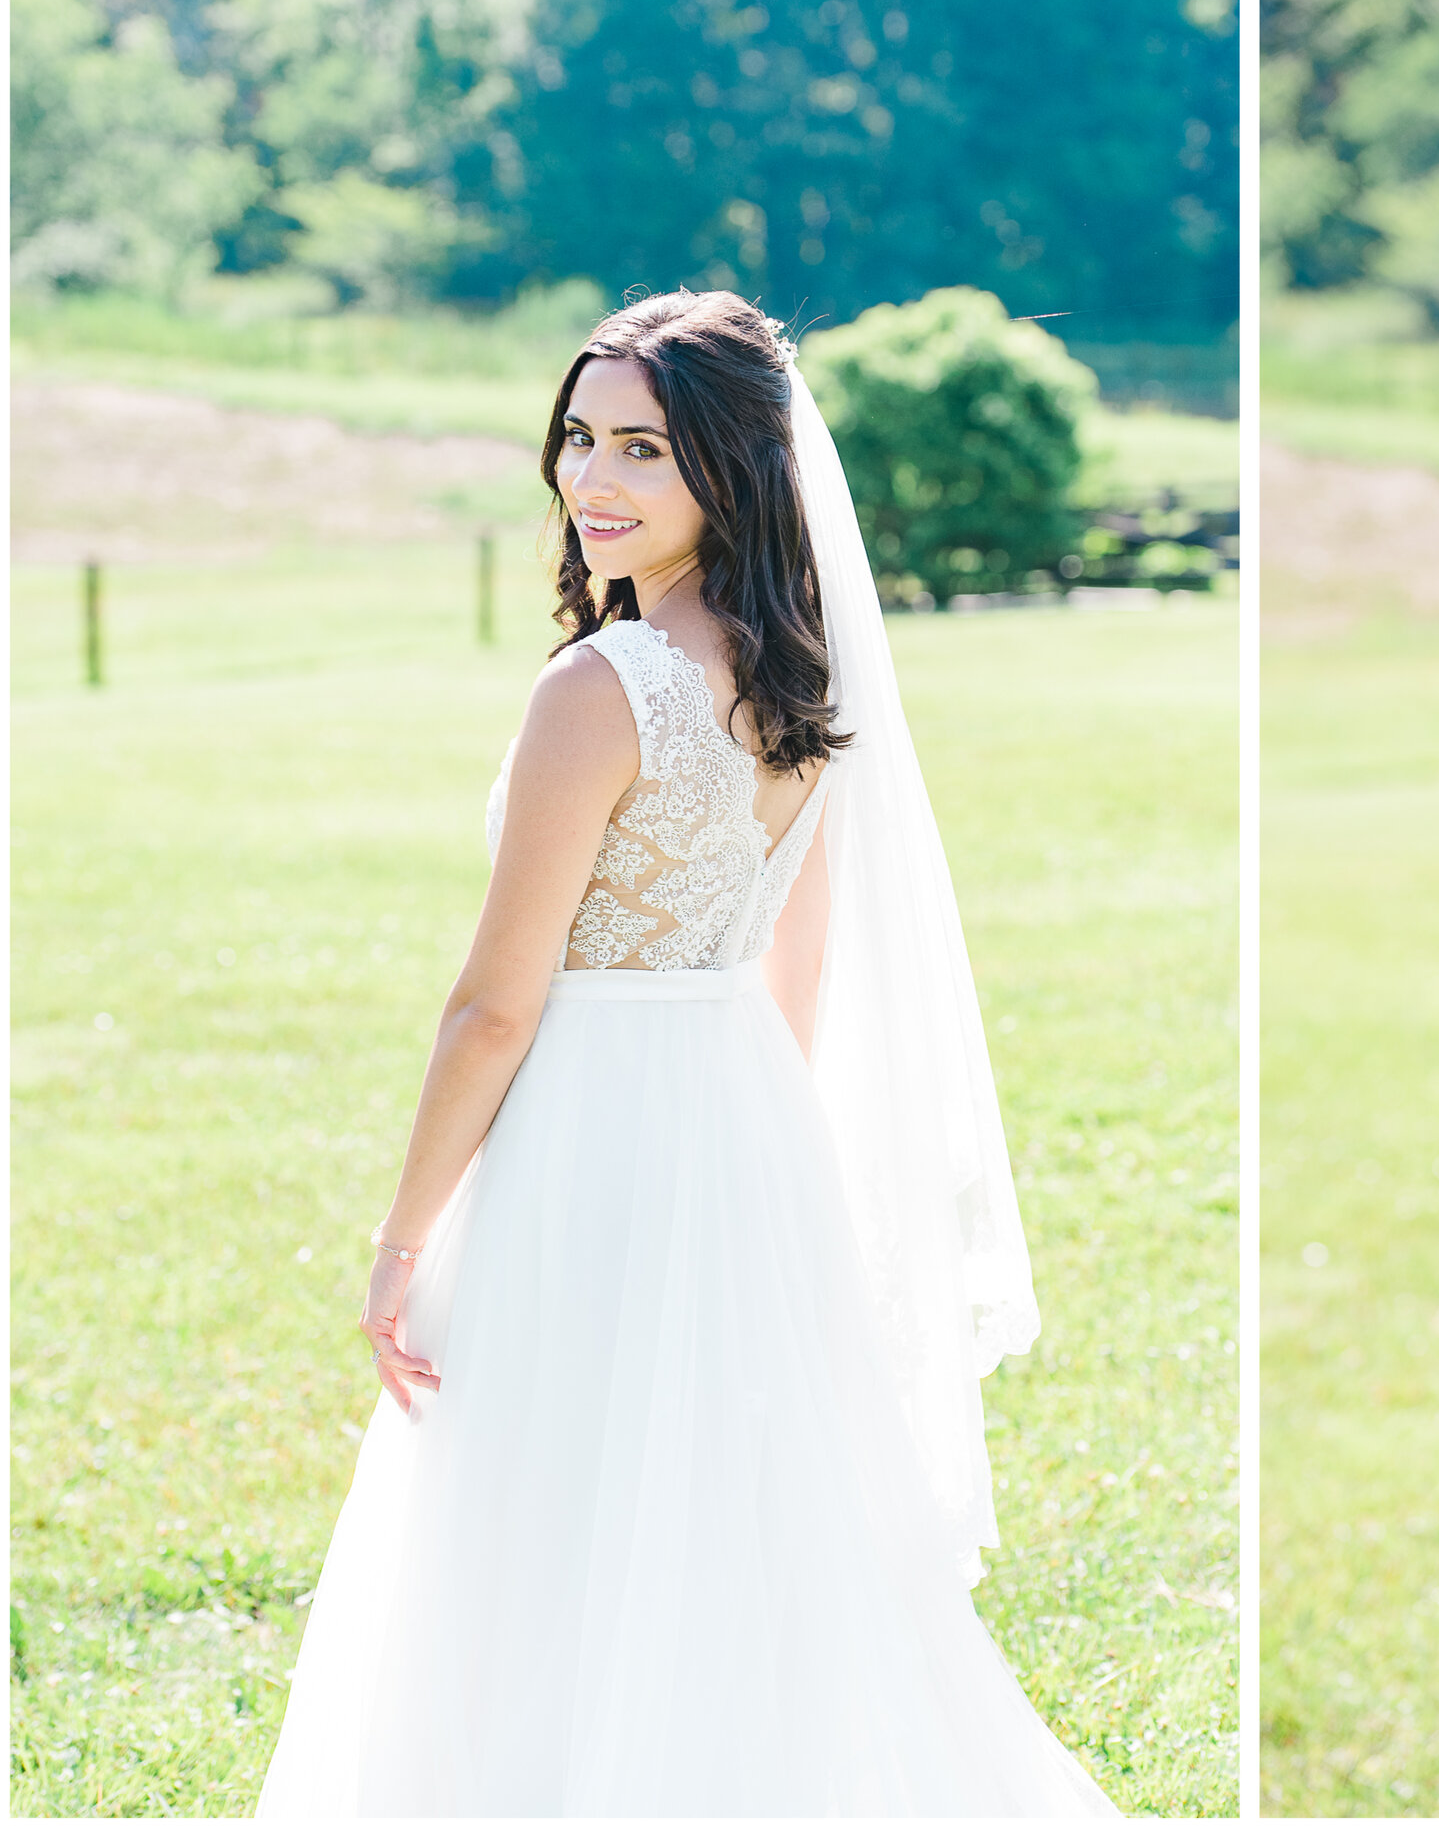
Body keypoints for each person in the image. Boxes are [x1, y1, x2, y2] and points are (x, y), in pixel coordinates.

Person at [256, 289, 1117, 1817]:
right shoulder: (805, 681)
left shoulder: (603, 690)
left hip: (591, 1124)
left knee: (543, 1506)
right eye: (580, 438)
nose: (594, 479)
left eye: (643, 448)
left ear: (729, 468)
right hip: (736, 1112)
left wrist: (402, 1234)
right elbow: (800, 945)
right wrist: (752, 1144)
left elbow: (496, 1006)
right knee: (726, 1513)